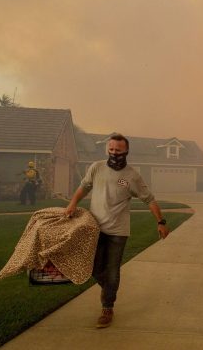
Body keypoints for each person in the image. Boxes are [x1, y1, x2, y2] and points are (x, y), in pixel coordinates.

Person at [64, 133, 170, 329]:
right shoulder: (96, 168)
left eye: (118, 151)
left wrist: (161, 221)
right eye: (111, 150)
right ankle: (110, 290)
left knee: (112, 271)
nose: (114, 153)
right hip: (94, 228)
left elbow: (150, 199)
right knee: (93, 268)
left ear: (126, 151)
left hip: (118, 232)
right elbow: (83, 187)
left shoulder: (131, 176)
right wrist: (72, 204)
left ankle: (107, 307)